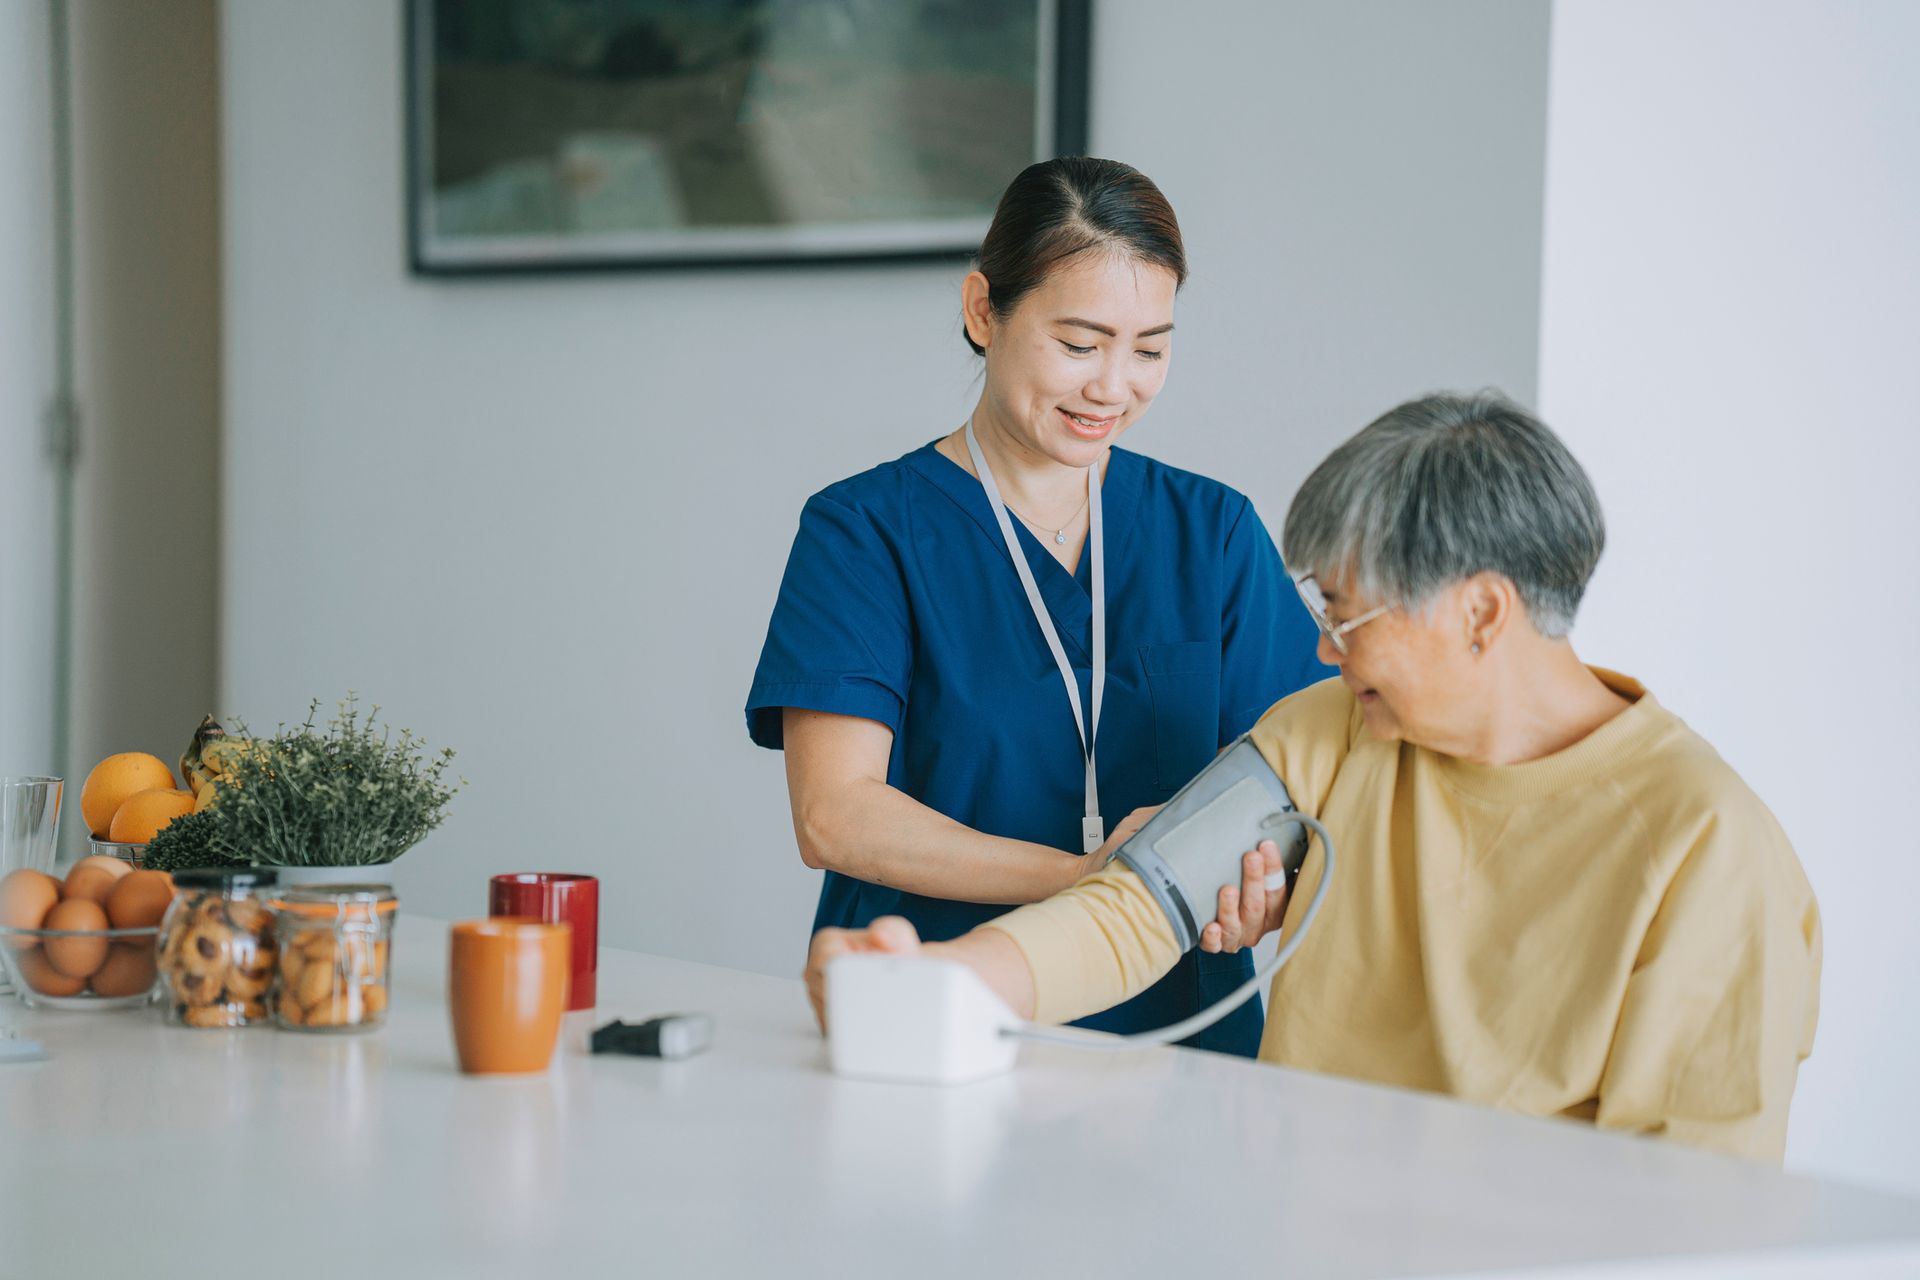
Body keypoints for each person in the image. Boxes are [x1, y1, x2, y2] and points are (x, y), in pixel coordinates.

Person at [804, 391, 1822, 1162]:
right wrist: (948, 980)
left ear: (1481, 612)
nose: (1325, 649)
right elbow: (1138, 905)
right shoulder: (1329, 732)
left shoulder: (1707, 848)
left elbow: (1696, 1203)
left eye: (1348, 613)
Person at [746, 157, 1327, 1056]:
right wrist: (1088, 876)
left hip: (1181, 1031)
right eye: (1080, 343)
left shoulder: (1210, 529)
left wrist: (1268, 885)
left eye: (1150, 348)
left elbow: (1304, 776)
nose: (1113, 386)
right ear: (985, 311)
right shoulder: (865, 530)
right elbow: (835, 814)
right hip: (939, 1010)